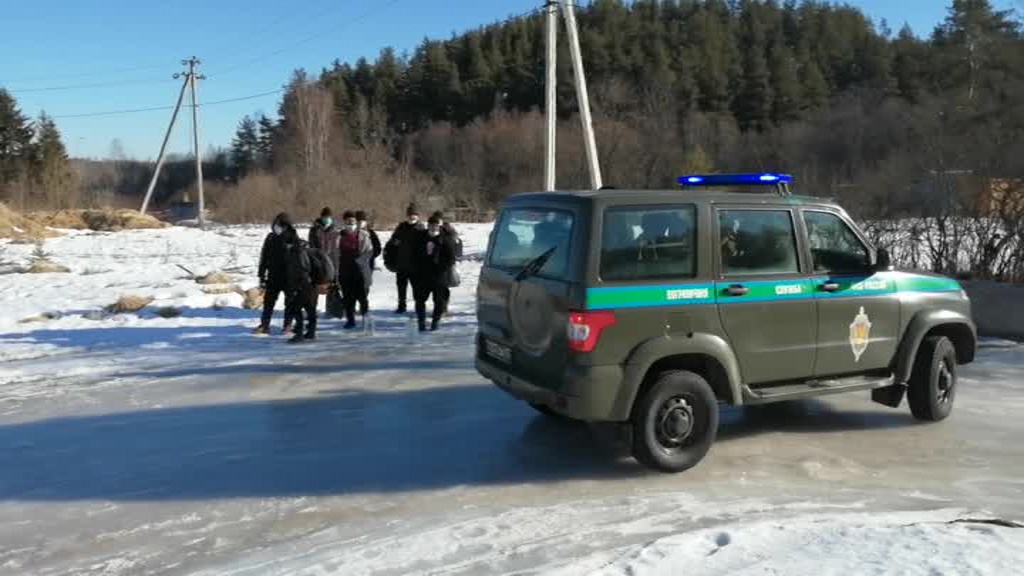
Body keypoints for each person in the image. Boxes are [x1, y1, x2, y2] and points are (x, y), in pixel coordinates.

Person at [412, 213, 457, 332]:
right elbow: (414, 254)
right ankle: (421, 322)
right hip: (422, 274)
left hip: (439, 275)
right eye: (431, 225)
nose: (433, 228)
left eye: (436, 226)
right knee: (420, 299)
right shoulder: (420, 237)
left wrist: (442, 268)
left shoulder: (445, 239)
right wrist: (417, 267)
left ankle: (435, 322)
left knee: (439, 300)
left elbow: (451, 257)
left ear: (439, 226)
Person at [254, 213, 295, 335]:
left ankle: (288, 325)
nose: (276, 226)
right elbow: (264, 257)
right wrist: (261, 275)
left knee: (290, 302)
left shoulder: (292, 237)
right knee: (268, 302)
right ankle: (265, 325)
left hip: (289, 276)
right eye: (276, 224)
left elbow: (298, 258)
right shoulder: (270, 238)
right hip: (273, 275)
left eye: (279, 224)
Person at [384, 203, 425, 314]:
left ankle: (418, 306)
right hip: (401, 264)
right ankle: (401, 306)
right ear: (407, 216)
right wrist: (394, 244)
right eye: (410, 214)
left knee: (417, 288)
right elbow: (392, 242)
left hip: (415, 265)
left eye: (414, 215)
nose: (412, 217)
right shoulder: (401, 227)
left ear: (418, 216)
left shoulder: (421, 228)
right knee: (401, 287)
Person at [337, 210, 374, 329]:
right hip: (344, 270)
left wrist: (359, 261)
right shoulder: (339, 236)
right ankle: (350, 320)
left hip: (359, 270)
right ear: (344, 222)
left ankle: (365, 318)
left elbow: (369, 251)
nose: (351, 223)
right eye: (348, 221)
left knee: (362, 296)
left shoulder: (363, 235)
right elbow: (334, 252)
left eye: (352, 221)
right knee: (348, 297)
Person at [283, 232, 319, 343]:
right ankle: (311, 332)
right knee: (310, 308)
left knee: (295, 308)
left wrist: (295, 285)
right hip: (311, 284)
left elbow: (301, 269)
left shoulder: (296, 252)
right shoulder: (305, 248)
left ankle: (299, 334)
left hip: (302, 284)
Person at [308, 207, 341, 315]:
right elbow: (311, 245)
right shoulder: (314, 230)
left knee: (332, 286)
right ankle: (311, 309)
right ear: (321, 217)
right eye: (324, 217)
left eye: (328, 217)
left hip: (332, 261)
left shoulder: (336, 230)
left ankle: (332, 309)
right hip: (318, 261)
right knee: (314, 287)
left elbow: (338, 247)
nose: (326, 219)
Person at [355, 210, 382, 315]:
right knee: (352, 285)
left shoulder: (371, 233)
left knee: (365, 285)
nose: (360, 222)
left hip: (367, 263)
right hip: (352, 263)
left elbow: (378, 248)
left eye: (362, 220)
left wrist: (370, 256)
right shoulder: (351, 232)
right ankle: (353, 305)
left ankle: (363, 305)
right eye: (358, 220)